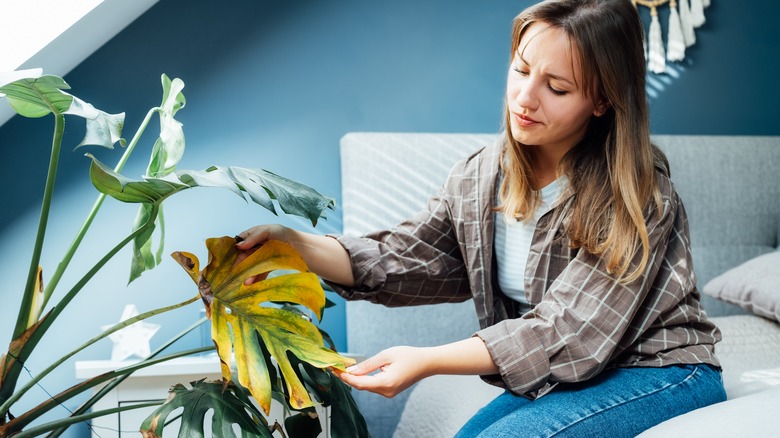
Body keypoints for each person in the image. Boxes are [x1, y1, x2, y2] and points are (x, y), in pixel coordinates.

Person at [235, 0, 726, 435]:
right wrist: (292, 242)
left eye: (556, 87)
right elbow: (401, 260)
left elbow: (566, 331)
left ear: (602, 101)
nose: (525, 98)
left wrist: (426, 361)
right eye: (521, 70)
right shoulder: (478, 178)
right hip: (577, 374)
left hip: (660, 370)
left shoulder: (638, 194)